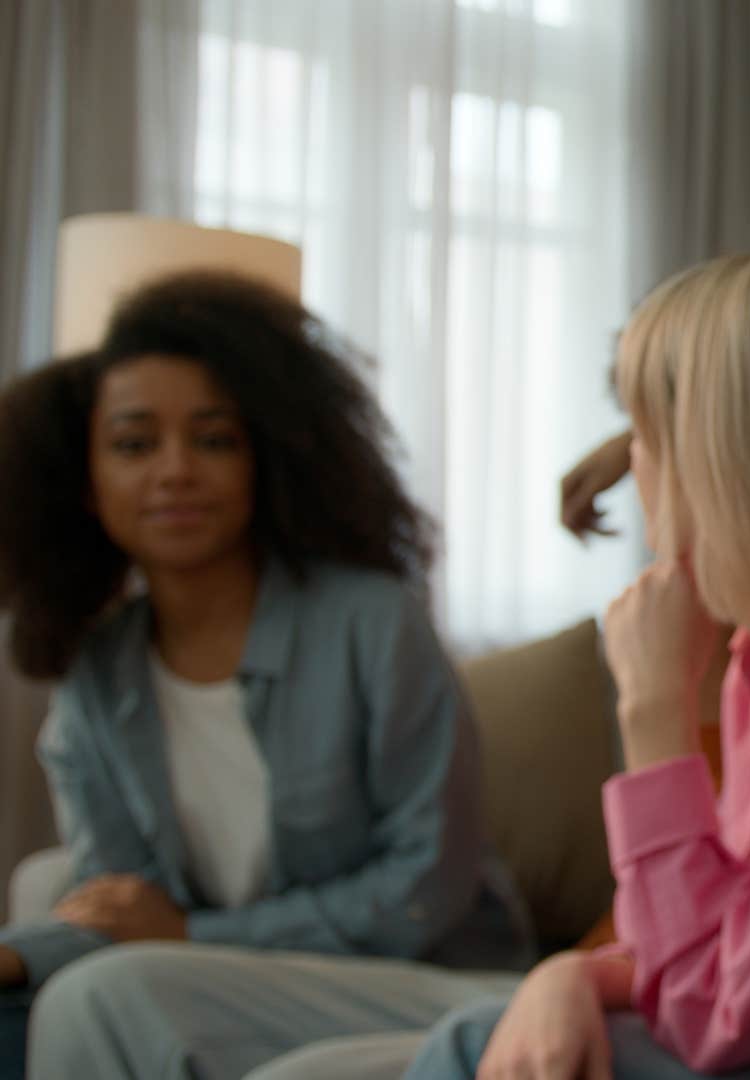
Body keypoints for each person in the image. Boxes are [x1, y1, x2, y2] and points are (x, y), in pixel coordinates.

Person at [337, 243, 750, 1079]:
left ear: (731, 463)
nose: (632, 465)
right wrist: (579, 972)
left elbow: (716, 1017)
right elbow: (723, 936)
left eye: (647, 437)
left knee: (466, 1049)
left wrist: (654, 712)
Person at [0, 271, 531, 1080]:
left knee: (100, 998)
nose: (175, 471)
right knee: (50, 931)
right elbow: (122, 909)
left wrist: (193, 941)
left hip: (437, 977)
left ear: (266, 457)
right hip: (228, 979)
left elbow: (424, 891)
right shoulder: (98, 673)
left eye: (213, 438)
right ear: (85, 483)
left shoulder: (371, 622)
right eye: (134, 444)